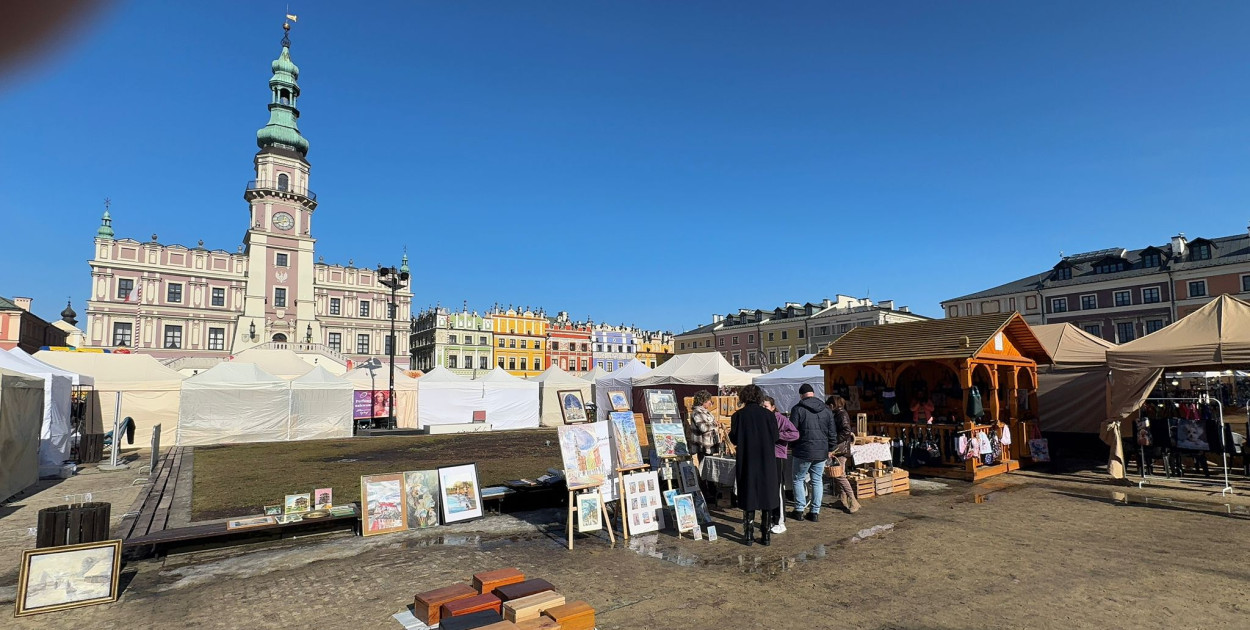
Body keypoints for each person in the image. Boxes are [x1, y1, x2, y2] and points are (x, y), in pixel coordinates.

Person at [728, 384, 780, 546]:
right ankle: (766, 535)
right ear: (759, 397)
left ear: (743, 397)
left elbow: (734, 438)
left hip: (748, 460)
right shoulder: (768, 415)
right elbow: (775, 437)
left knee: (748, 493)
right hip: (766, 460)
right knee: (767, 495)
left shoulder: (738, 416)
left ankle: (748, 535)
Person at [788, 383, 836, 522]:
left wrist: (791, 445)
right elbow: (832, 432)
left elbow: (793, 431)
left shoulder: (797, 409)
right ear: (813, 393)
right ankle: (814, 512)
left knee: (798, 479)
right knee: (817, 481)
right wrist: (831, 448)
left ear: (801, 395)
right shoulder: (826, 410)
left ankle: (799, 510)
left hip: (803, 450)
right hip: (821, 451)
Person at [762, 396, 799, 534]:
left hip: (777, 456)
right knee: (767, 488)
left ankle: (780, 520)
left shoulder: (779, 418)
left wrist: (778, 435)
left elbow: (795, 434)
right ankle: (771, 518)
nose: (764, 409)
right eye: (762, 407)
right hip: (764, 456)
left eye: (766, 406)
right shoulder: (761, 419)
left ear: (772, 407)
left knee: (777, 487)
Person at [826, 395, 860, 514]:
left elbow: (846, 431)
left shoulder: (841, 414)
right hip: (840, 448)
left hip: (840, 449)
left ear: (832, 405)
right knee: (840, 475)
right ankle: (843, 499)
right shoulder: (839, 413)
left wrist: (833, 441)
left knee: (840, 475)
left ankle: (853, 500)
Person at [690, 390, 723, 457]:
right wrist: (714, 424)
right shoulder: (697, 412)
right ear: (703, 401)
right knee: (704, 465)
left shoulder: (705, 412)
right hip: (703, 446)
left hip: (709, 445)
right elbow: (703, 427)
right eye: (709, 401)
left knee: (708, 465)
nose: (710, 403)